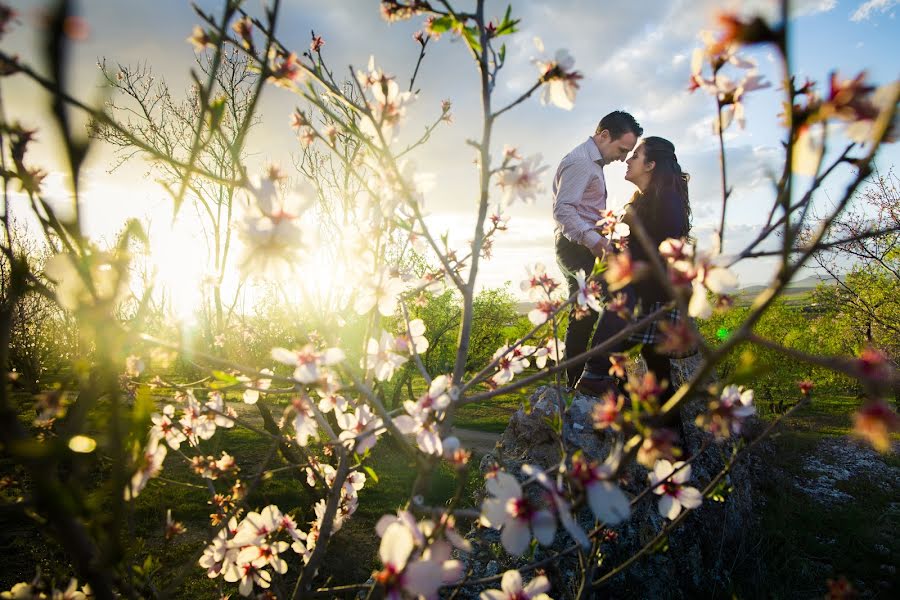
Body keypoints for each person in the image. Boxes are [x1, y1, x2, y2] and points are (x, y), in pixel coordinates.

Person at [574, 136, 692, 400]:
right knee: (657, 377)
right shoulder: (645, 200)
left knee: (649, 370)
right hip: (648, 294)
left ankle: (594, 376)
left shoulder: (667, 203)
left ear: (650, 165)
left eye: (636, 155)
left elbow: (659, 254)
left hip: (653, 296)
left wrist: (616, 254)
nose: (628, 159)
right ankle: (664, 434)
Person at [553, 110, 643, 388]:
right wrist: (598, 244)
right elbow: (564, 211)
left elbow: (581, 209)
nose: (624, 157)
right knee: (620, 302)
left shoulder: (591, 163)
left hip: (576, 244)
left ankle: (574, 383)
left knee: (583, 315)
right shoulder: (580, 162)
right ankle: (596, 376)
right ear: (604, 135)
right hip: (578, 247)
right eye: (622, 149)